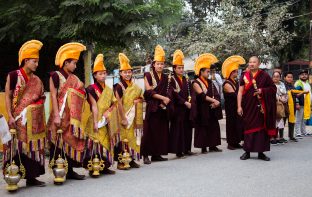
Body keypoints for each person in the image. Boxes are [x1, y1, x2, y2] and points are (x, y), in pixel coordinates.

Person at [3, 40, 46, 186]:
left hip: (31, 120)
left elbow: (42, 98)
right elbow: (8, 97)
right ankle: (12, 177)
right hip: (16, 119)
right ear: (26, 60)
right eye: (35, 61)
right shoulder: (13, 75)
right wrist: (10, 115)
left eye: (38, 62)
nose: (37, 65)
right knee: (15, 147)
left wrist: (31, 109)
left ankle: (31, 177)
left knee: (32, 148)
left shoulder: (38, 80)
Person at [47, 42, 87, 180]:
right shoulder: (55, 76)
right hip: (59, 115)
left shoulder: (75, 78)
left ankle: (70, 171)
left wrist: (80, 90)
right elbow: (53, 95)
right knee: (58, 143)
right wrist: (57, 115)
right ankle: (58, 170)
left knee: (70, 141)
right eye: (73, 63)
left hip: (71, 117)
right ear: (65, 62)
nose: (75, 66)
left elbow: (82, 91)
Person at [82, 54, 119, 175]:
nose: (103, 76)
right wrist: (95, 123)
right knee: (94, 143)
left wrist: (109, 112)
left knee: (106, 142)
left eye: (104, 73)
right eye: (100, 74)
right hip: (95, 119)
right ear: (94, 75)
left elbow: (114, 103)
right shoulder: (90, 89)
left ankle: (105, 166)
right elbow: (93, 106)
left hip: (106, 119)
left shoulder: (109, 89)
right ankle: (94, 168)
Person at [237, 56, 276, 161]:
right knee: (248, 128)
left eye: (254, 62)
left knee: (261, 129)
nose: (251, 64)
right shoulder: (244, 76)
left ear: (258, 64)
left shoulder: (265, 76)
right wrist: (239, 106)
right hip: (248, 106)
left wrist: (262, 91)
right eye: (250, 62)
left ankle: (261, 153)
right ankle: (247, 152)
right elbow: (240, 92)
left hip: (260, 107)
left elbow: (273, 88)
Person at [141, 45, 173, 164]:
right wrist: (163, 98)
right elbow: (149, 91)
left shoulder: (166, 77)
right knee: (149, 131)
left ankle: (157, 154)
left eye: (162, 64)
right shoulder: (148, 75)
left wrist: (166, 100)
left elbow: (170, 90)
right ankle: (145, 155)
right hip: (153, 106)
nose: (160, 66)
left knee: (161, 131)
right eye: (158, 64)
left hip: (163, 107)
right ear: (153, 64)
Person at [114, 53, 143, 170]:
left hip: (134, 117)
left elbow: (141, 97)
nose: (127, 74)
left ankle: (131, 160)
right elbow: (118, 103)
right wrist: (123, 118)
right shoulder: (119, 86)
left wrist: (138, 101)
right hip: (124, 117)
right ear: (120, 73)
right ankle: (121, 162)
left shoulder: (135, 86)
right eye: (125, 72)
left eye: (129, 72)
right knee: (123, 140)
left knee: (132, 138)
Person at [190, 53, 223, 154]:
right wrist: (214, 101)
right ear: (201, 71)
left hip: (212, 108)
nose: (209, 73)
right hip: (202, 108)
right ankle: (203, 147)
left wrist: (216, 102)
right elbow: (201, 96)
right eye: (207, 71)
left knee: (214, 127)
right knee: (203, 127)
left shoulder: (210, 82)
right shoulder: (196, 82)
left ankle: (213, 145)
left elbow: (216, 93)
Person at [169, 50, 193, 158]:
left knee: (187, 128)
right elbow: (173, 94)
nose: (181, 70)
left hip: (187, 108)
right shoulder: (172, 79)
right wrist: (184, 102)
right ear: (174, 68)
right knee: (178, 130)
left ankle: (187, 149)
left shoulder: (186, 79)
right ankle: (179, 151)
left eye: (182, 67)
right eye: (179, 68)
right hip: (178, 108)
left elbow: (191, 92)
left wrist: (191, 102)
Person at [221, 55, 245, 150]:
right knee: (231, 124)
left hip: (236, 106)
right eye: (235, 71)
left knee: (237, 124)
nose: (237, 73)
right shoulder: (227, 83)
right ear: (231, 72)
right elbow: (235, 95)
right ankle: (230, 143)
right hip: (230, 107)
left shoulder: (235, 82)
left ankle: (236, 142)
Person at [284, 71, 306, 142]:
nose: (290, 78)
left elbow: (296, 96)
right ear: (285, 78)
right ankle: (280, 137)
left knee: (292, 120)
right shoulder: (283, 85)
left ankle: (291, 136)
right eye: (288, 77)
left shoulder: (293, 86)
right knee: (283, 121)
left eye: (291, 77)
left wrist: (302, 92)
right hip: (285, 105)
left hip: (292, 105)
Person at [271, 71, 288, 145]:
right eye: (274, 76)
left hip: (281, 104)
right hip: (273, 104)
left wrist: (285, 99)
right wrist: (280, 99)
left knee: (280, 120)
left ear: (280, 77)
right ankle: (272, 137)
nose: (276, 78)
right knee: (273, 121)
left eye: (277, 76)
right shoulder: (270, 84)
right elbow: (273, 93)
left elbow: (285, 93)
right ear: (272, 77)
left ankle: (279, 137)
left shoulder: (282, 84)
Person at [294, 69, 311, 138]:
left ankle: (303, 131)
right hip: (300, 104)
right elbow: (295, 94)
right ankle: (298, 133)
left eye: (305, 74)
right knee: (298, 119)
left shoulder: (307, 83)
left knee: (304, 118)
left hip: (307, 104)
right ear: (299, 76)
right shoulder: (298, 83)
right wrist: (297, 103)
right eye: (302, 74)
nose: (304, 76)